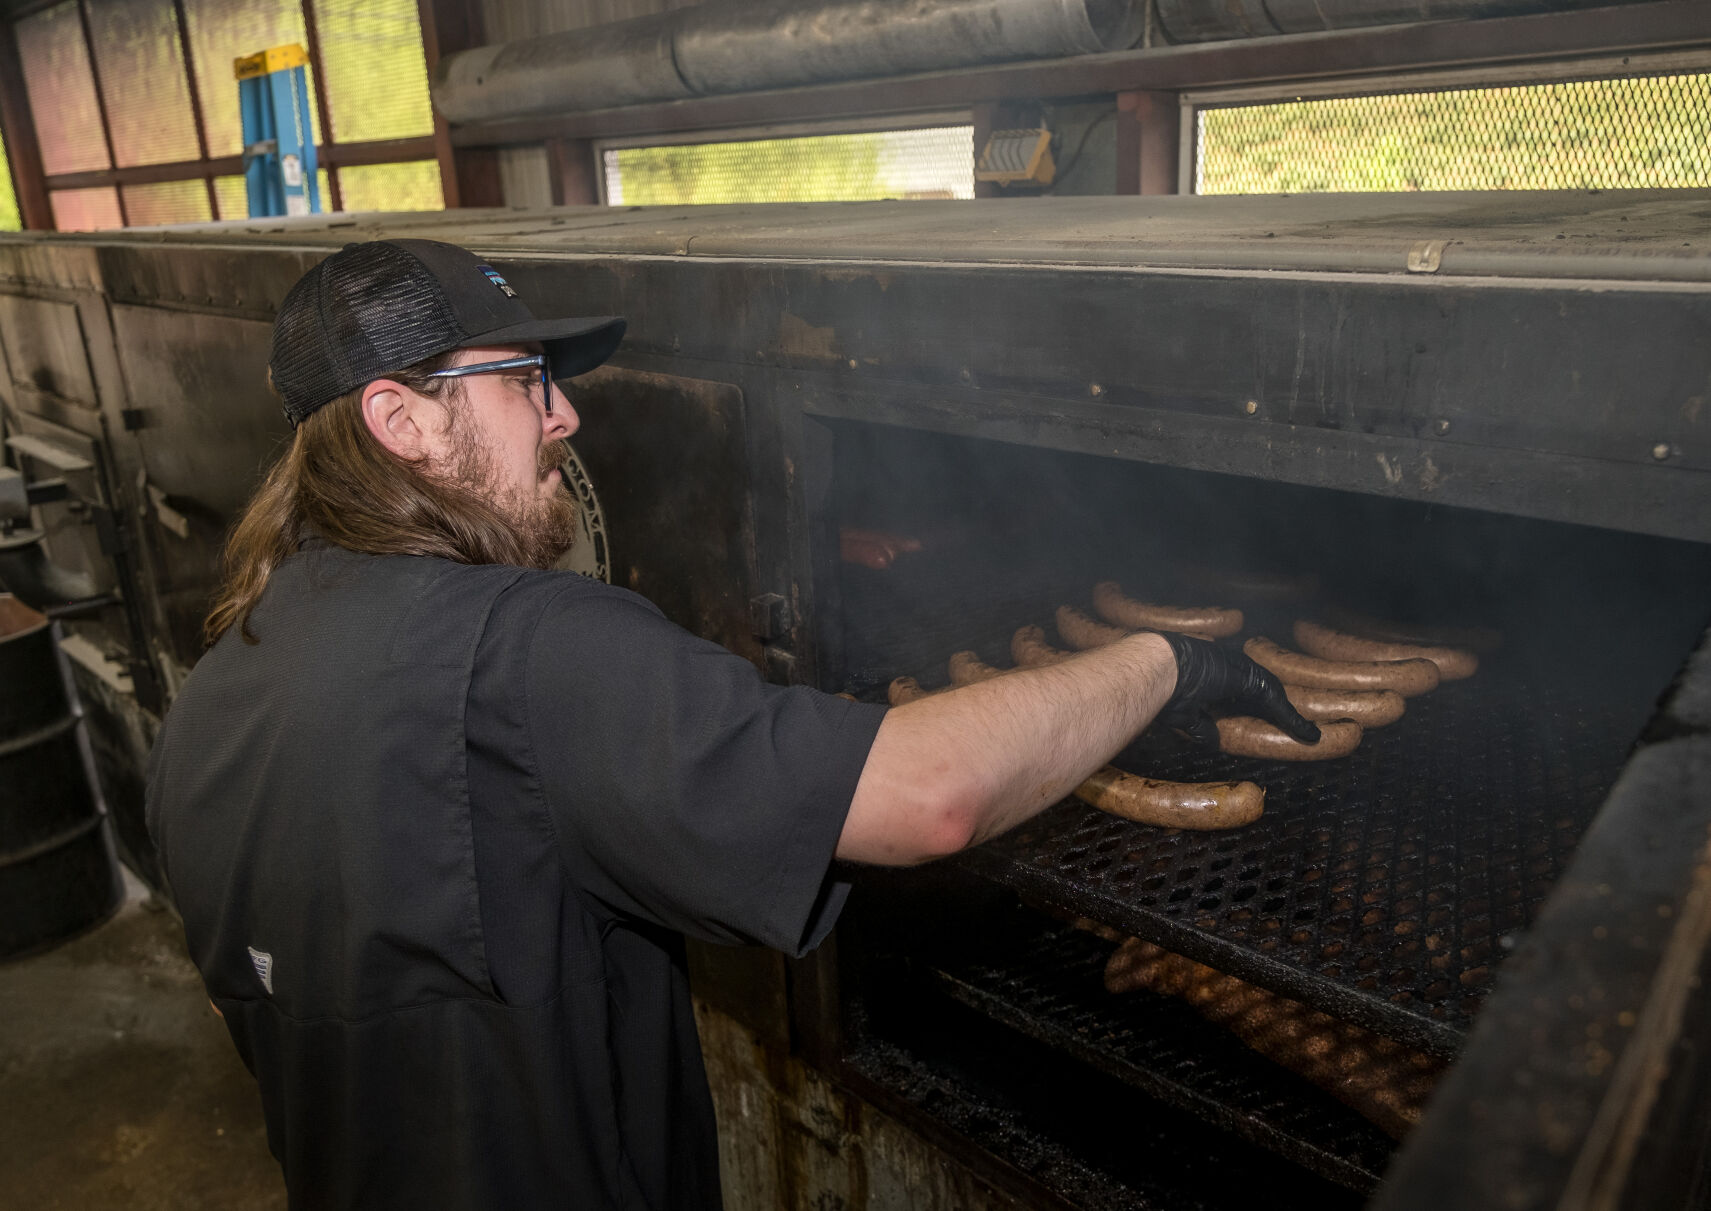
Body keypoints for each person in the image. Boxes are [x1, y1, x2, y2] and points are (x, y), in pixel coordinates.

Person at [146, 239, 1317, 1210]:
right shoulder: (532, 650)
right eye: (524, 380)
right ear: (402, 420)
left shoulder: (211, 700)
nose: (564, 419)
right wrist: (1166, 663)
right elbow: (929, 794)